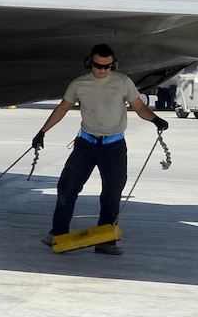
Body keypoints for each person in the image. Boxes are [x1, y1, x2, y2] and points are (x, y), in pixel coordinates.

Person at [33, 44, 162, 254]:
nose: (102, 70)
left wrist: (156, 119)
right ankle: (58, 232)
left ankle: (105, 241)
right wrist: (42, 132)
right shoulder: (79, 84)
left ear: (113, 64)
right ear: (89, 63)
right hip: (86, 144)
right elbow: (63, 108)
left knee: (112, 193)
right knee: (67, 188)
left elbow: (138, 106)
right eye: (98, 66)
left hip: (114, 146)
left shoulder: (123, 82)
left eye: (107, 66)